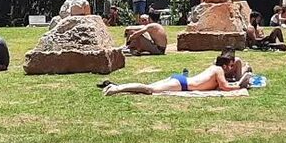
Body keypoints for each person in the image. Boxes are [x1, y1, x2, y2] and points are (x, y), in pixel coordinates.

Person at [101, 52, 248, 95]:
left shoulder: (214, 68)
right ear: (224, 65)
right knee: (149, 89)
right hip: (182, 84)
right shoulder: (219, 70)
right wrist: (241, 86)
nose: (232, 68)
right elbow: (225, 87)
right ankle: (117, 89)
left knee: (148, 88)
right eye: (231, 66)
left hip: (180, 80)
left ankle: (117, 86)